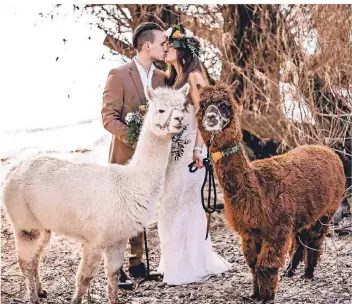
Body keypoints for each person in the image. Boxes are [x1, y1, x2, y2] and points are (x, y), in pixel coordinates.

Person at [157, 24, 231, 285]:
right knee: (168, 206)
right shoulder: (172, 78)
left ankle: (188, 265)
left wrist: (200, 149)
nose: (165, 49)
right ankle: (173, 261)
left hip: (190, 153)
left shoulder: (195, 77)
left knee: (186, 206)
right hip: (172, 153)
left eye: (169, 45)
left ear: (182, 50)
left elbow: (205, 117)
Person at [101, 22, 167, 285]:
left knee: (142, 209)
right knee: (119, 214)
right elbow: (108, 118)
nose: (166, 48)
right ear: (147, 45)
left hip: (151, 162)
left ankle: (137, 263)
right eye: (163, 43)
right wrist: (135, 137)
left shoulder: (163, 78)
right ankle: (116, 270)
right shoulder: (118, 75)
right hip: (123, 158)